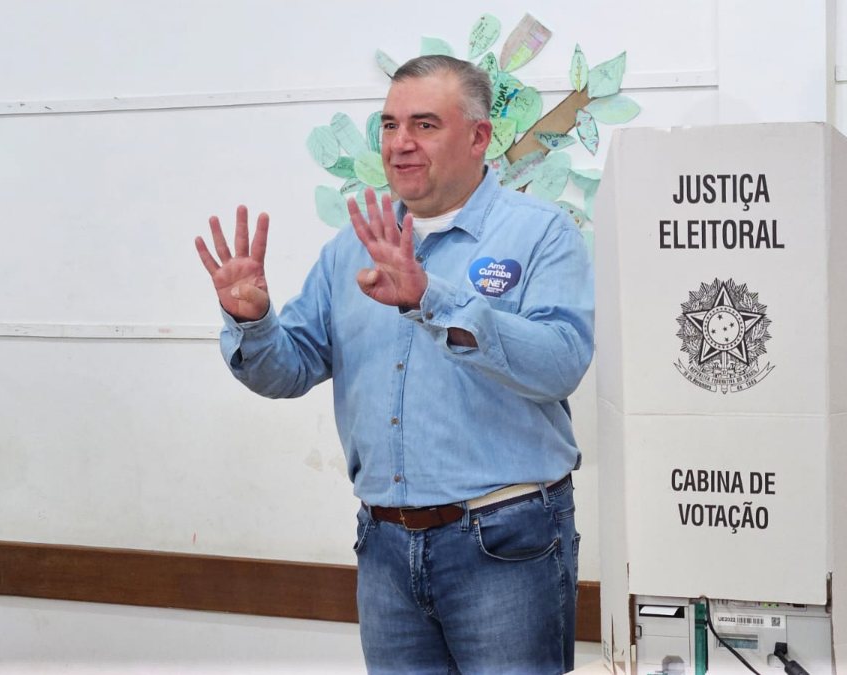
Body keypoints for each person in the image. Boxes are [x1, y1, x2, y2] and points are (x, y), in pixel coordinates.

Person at [195, 55, 594, 674]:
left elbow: (560, 364)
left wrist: (430, 298)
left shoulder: (541, 234)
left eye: (425, 125)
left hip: (505, 543)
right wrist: (253, 320)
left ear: (478, 136)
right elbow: (288, 368)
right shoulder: (349, 248)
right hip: (385, 547)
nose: (400, 144)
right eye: (388, 125)